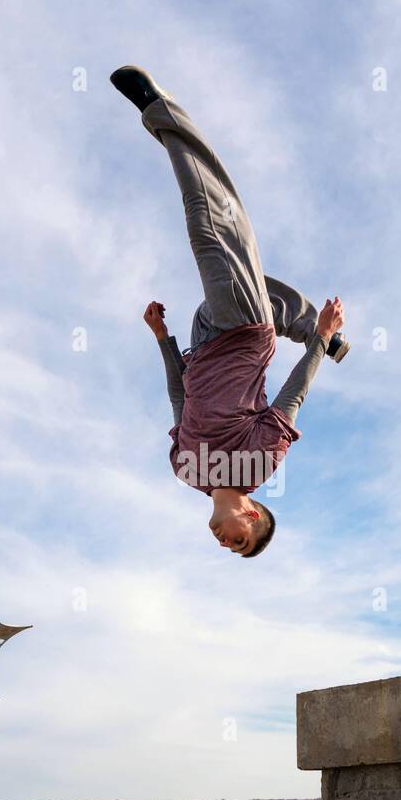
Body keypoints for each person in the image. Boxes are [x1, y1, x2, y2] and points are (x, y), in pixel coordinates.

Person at [111, 66, 348, 558]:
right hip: (242, 334)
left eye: (230, 549)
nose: (227, 542)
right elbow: (291, 398)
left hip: (202, 339)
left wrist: (162, 338)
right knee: (211, 224)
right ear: (253, 514)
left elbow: (182, 399)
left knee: (237, 258)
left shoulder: (186, 471)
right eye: (241, 540)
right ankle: (161, 109)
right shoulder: (259, 467)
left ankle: (299, 321)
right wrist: (321, 342)